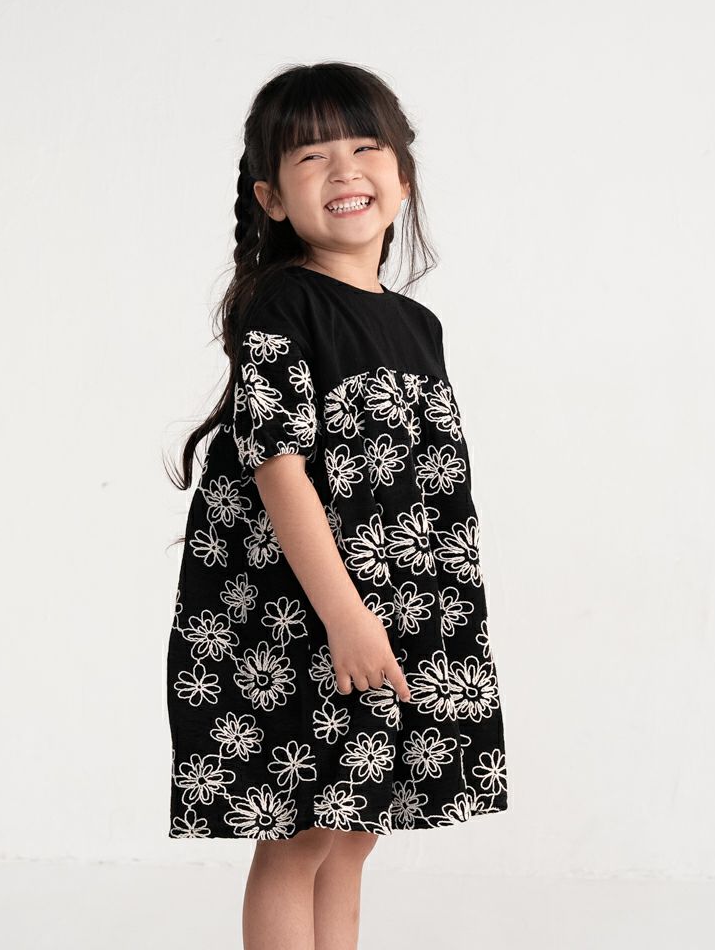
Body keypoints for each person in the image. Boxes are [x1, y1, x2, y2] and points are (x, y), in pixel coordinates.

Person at [165, 61, 508, 950]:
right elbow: (278, 467)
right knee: (300, 834)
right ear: (272, 198)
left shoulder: (417, 324)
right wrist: (346, 616)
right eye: (311, 156)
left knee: (354, 829)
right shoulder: (284, 302)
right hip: (306, 609)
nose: (344, 169)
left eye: (365, 148)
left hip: (395, 603)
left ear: (403, 177)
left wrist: (407, 614)